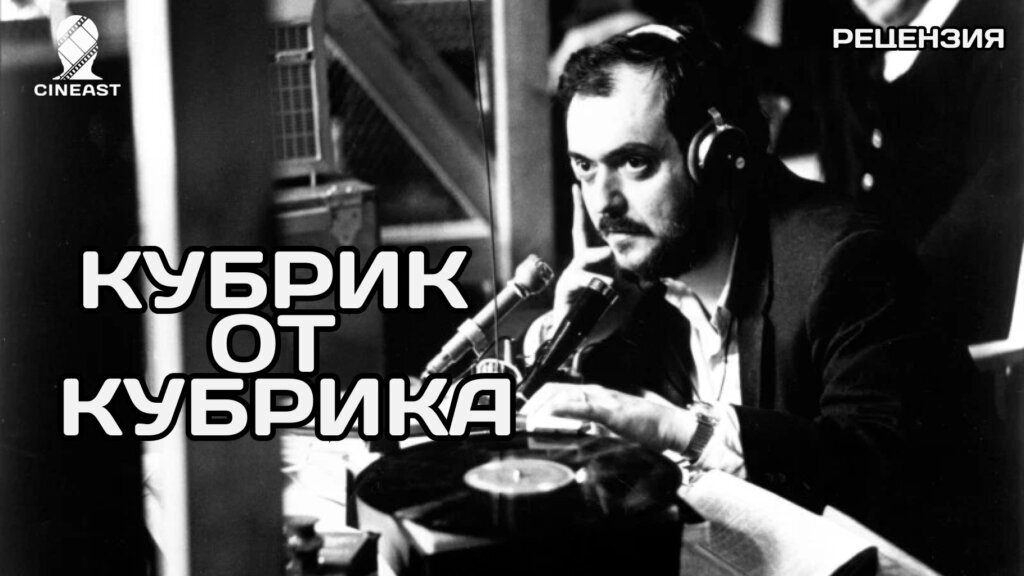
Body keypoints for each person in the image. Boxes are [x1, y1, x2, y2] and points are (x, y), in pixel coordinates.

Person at [523, 22, 1000, 574]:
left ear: (717, 157)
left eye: (634, 163)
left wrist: (678, 428)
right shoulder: (643, 279)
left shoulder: (850, 264)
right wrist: (574, 340)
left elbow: (884, 475)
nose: (603, 203)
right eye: (585, 168)